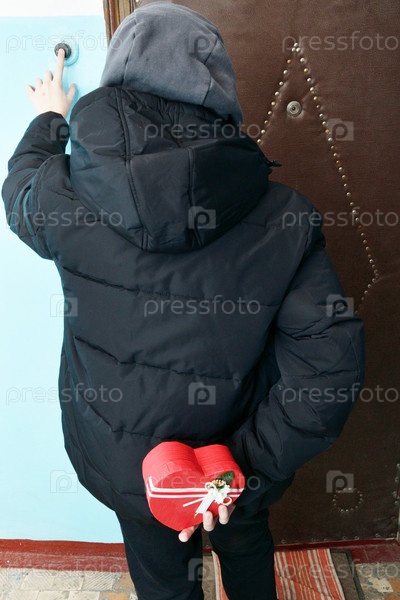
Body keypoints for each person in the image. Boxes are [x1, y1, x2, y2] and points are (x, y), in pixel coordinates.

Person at [2, 3, 364, 599]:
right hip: (237, 465)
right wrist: (238, 467)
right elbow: (329, 371)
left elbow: (18, 192)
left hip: (131, 468)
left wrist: (50, 120)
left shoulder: (63, 194)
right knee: (246, 547)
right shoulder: (285, 216)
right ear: (218, 91)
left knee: (165, 582)